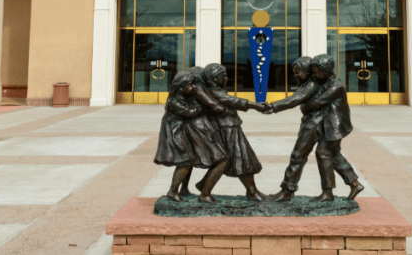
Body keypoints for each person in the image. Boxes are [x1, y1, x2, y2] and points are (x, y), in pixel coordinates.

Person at [263, 56, 364, 201]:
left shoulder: (329, 85)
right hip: (326, 124)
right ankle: (352, 184)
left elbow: (302, 101)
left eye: (299, 72)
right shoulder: (320, 81)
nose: (296, 75)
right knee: (333, 156)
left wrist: (274, 106)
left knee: (304, 154)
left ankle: (289, 191)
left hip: (327, 124)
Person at [194, 63, 269, 201]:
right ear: (214, 79)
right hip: (227, 130)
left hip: (230, 127)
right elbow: (233, 101)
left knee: (233, 160)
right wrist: (255, 105)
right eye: (223, 76)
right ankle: (251, 192)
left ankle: (205, 185)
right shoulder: (214, 92)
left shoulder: (214, 91)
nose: (226, 78)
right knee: (242, 159)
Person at [154, 70, 228, 202]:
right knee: (185, 161)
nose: (194, 88)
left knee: (189, 160)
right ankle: (173, 191)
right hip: (176, 134)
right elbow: (190, 112)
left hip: (182, 131)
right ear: (180, 88)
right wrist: (204, 106)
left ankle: (183, 189)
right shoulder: (174, 102)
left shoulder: (183, 97)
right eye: (191, 85)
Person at [300, 54, 363, 202]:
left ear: (325, 71)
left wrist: (304, 106)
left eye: (316, 72)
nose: (314, 75)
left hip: (336, 126)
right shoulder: (326, 81)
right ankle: (355, 183)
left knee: (322, 152)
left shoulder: (336, 86)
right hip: (329, 124)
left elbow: (317, 103)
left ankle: (327, 192)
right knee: (335, 155)